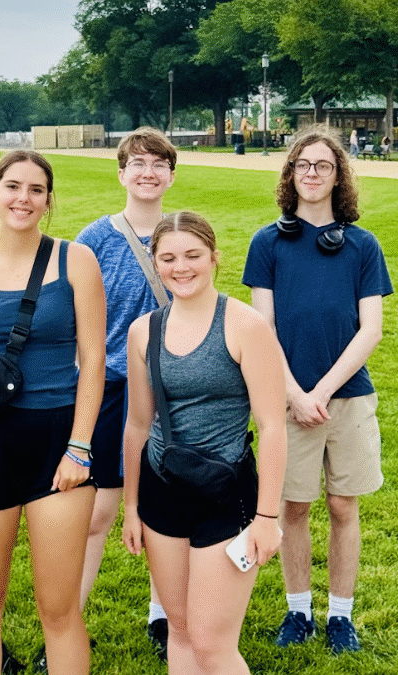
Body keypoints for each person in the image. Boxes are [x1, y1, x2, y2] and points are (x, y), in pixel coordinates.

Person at [0, 150, 107, 675]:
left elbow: (94, 360)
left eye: (36, 189)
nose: (23, 199)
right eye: (13, 186)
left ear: (49, 200)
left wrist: (79, 446)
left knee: (59, 610)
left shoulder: (75, 260)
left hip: (58, 444)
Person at [242, 128, 393, 654]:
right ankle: (299, 610)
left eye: (322, 165)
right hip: (286, 399)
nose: (311, 173)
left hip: (346, 398)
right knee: (294, 509)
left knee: (343, 505)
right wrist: (295, 394)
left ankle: (341, 617)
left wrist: (322, 393)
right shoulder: (267, 243)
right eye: (302, 164)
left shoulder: (362, 245)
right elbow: (263, 329)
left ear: (338, 175)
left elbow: (370, 329)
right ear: (290, 174)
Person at [122, 212, 287, 674]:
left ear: (214, 257)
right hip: (162, 489)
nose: (182, 267)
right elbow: (137, 424)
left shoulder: (245, 326)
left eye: (193, 255)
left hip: (225, 493)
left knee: (212, 643)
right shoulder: (144, 331)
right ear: (155, 264)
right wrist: (132, 507)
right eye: (169, 258)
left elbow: (273, 425)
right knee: (178, 628)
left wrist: (267, 518)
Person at [71, 126, 177, 666]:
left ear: (171, 175)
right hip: (111, 385)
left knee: (165, 505)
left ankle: (164, 614)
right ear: (121, 173)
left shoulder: (182, 234)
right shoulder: (95, 237)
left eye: (158, 163)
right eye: (137, 163)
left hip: (172, 386)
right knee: (96, 512)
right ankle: (69, 622)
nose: (148, 172)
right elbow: (73, 311)